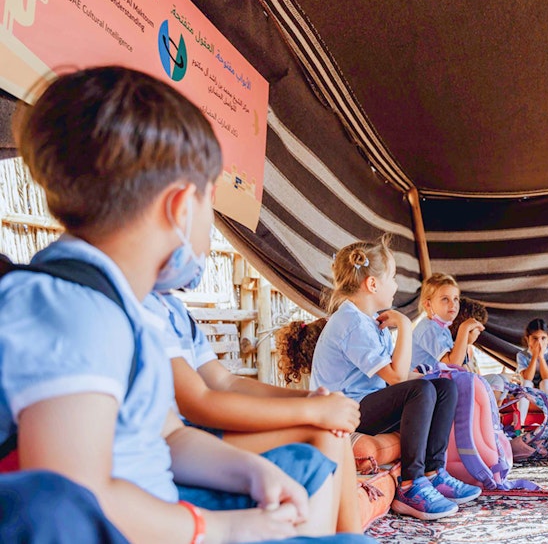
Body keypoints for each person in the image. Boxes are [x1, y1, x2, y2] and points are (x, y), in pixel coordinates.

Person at [0, 66, 371, 543]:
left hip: (162, 513)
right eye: (208, 200)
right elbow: (76, 502)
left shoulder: (124, 308)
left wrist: (252, 474)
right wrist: (219, 528)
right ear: (179, 206)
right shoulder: (75, 313)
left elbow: (170, 437)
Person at [147, 290, 368, 531]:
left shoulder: (173, 309)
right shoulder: (145, 307)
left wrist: (311, 398)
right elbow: (198, 404)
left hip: (191, 431)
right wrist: (312, 409)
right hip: (185, 438)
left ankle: (351, 536)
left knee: (334, 427)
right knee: (323, 432)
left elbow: (226, 383)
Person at [307, 238, 482, 519]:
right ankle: (411, 485)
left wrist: (436, 380)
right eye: (392, 277)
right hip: (344, 410)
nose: (397, 285)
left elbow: (399, 377)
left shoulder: (371, 321)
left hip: (367, 404)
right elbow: (396, 377)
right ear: (373, 285)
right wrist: (403, 323)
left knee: (444, 387)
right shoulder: (350, 322)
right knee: (421, 391)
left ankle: (433, 472)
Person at [411, 273, 483, 372]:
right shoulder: (428, 329)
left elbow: (459, 365)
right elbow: (452, 365)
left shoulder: (442, 328)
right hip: (423, 383)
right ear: (428, 304)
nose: (453, 304)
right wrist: (464, 329)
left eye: (455, 299)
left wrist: (466, 342)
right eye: (445, 299)